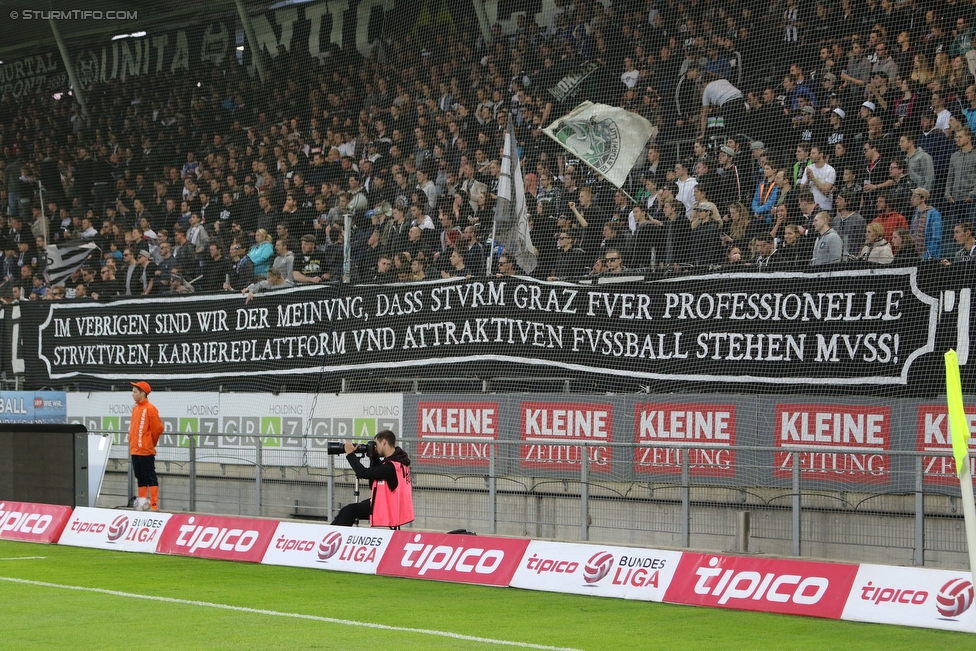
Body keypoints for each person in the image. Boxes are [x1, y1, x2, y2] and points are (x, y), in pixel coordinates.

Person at [330, 429, 414, 528]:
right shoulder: (399, 462)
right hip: (394, 505)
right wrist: (374, 457)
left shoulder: (390, 467)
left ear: (384, 443)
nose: (375, 448)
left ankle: (334, 537)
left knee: (350, 510)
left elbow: (362, 473)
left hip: (388, 508)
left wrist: (350, 454)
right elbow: (375, 478)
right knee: (347, 509)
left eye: (376, 445)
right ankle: (327, 533)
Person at [128, 381, 164, 512]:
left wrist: (149, 443)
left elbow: (157, 429)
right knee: (140, 477)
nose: (132, 394)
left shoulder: (150, 408)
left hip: (145, 450)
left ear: (143, 393)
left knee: (150, 477)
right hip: (135, 450)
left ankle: (153, 505)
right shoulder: (135, 408)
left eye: (135, 392)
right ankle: (141, 503)